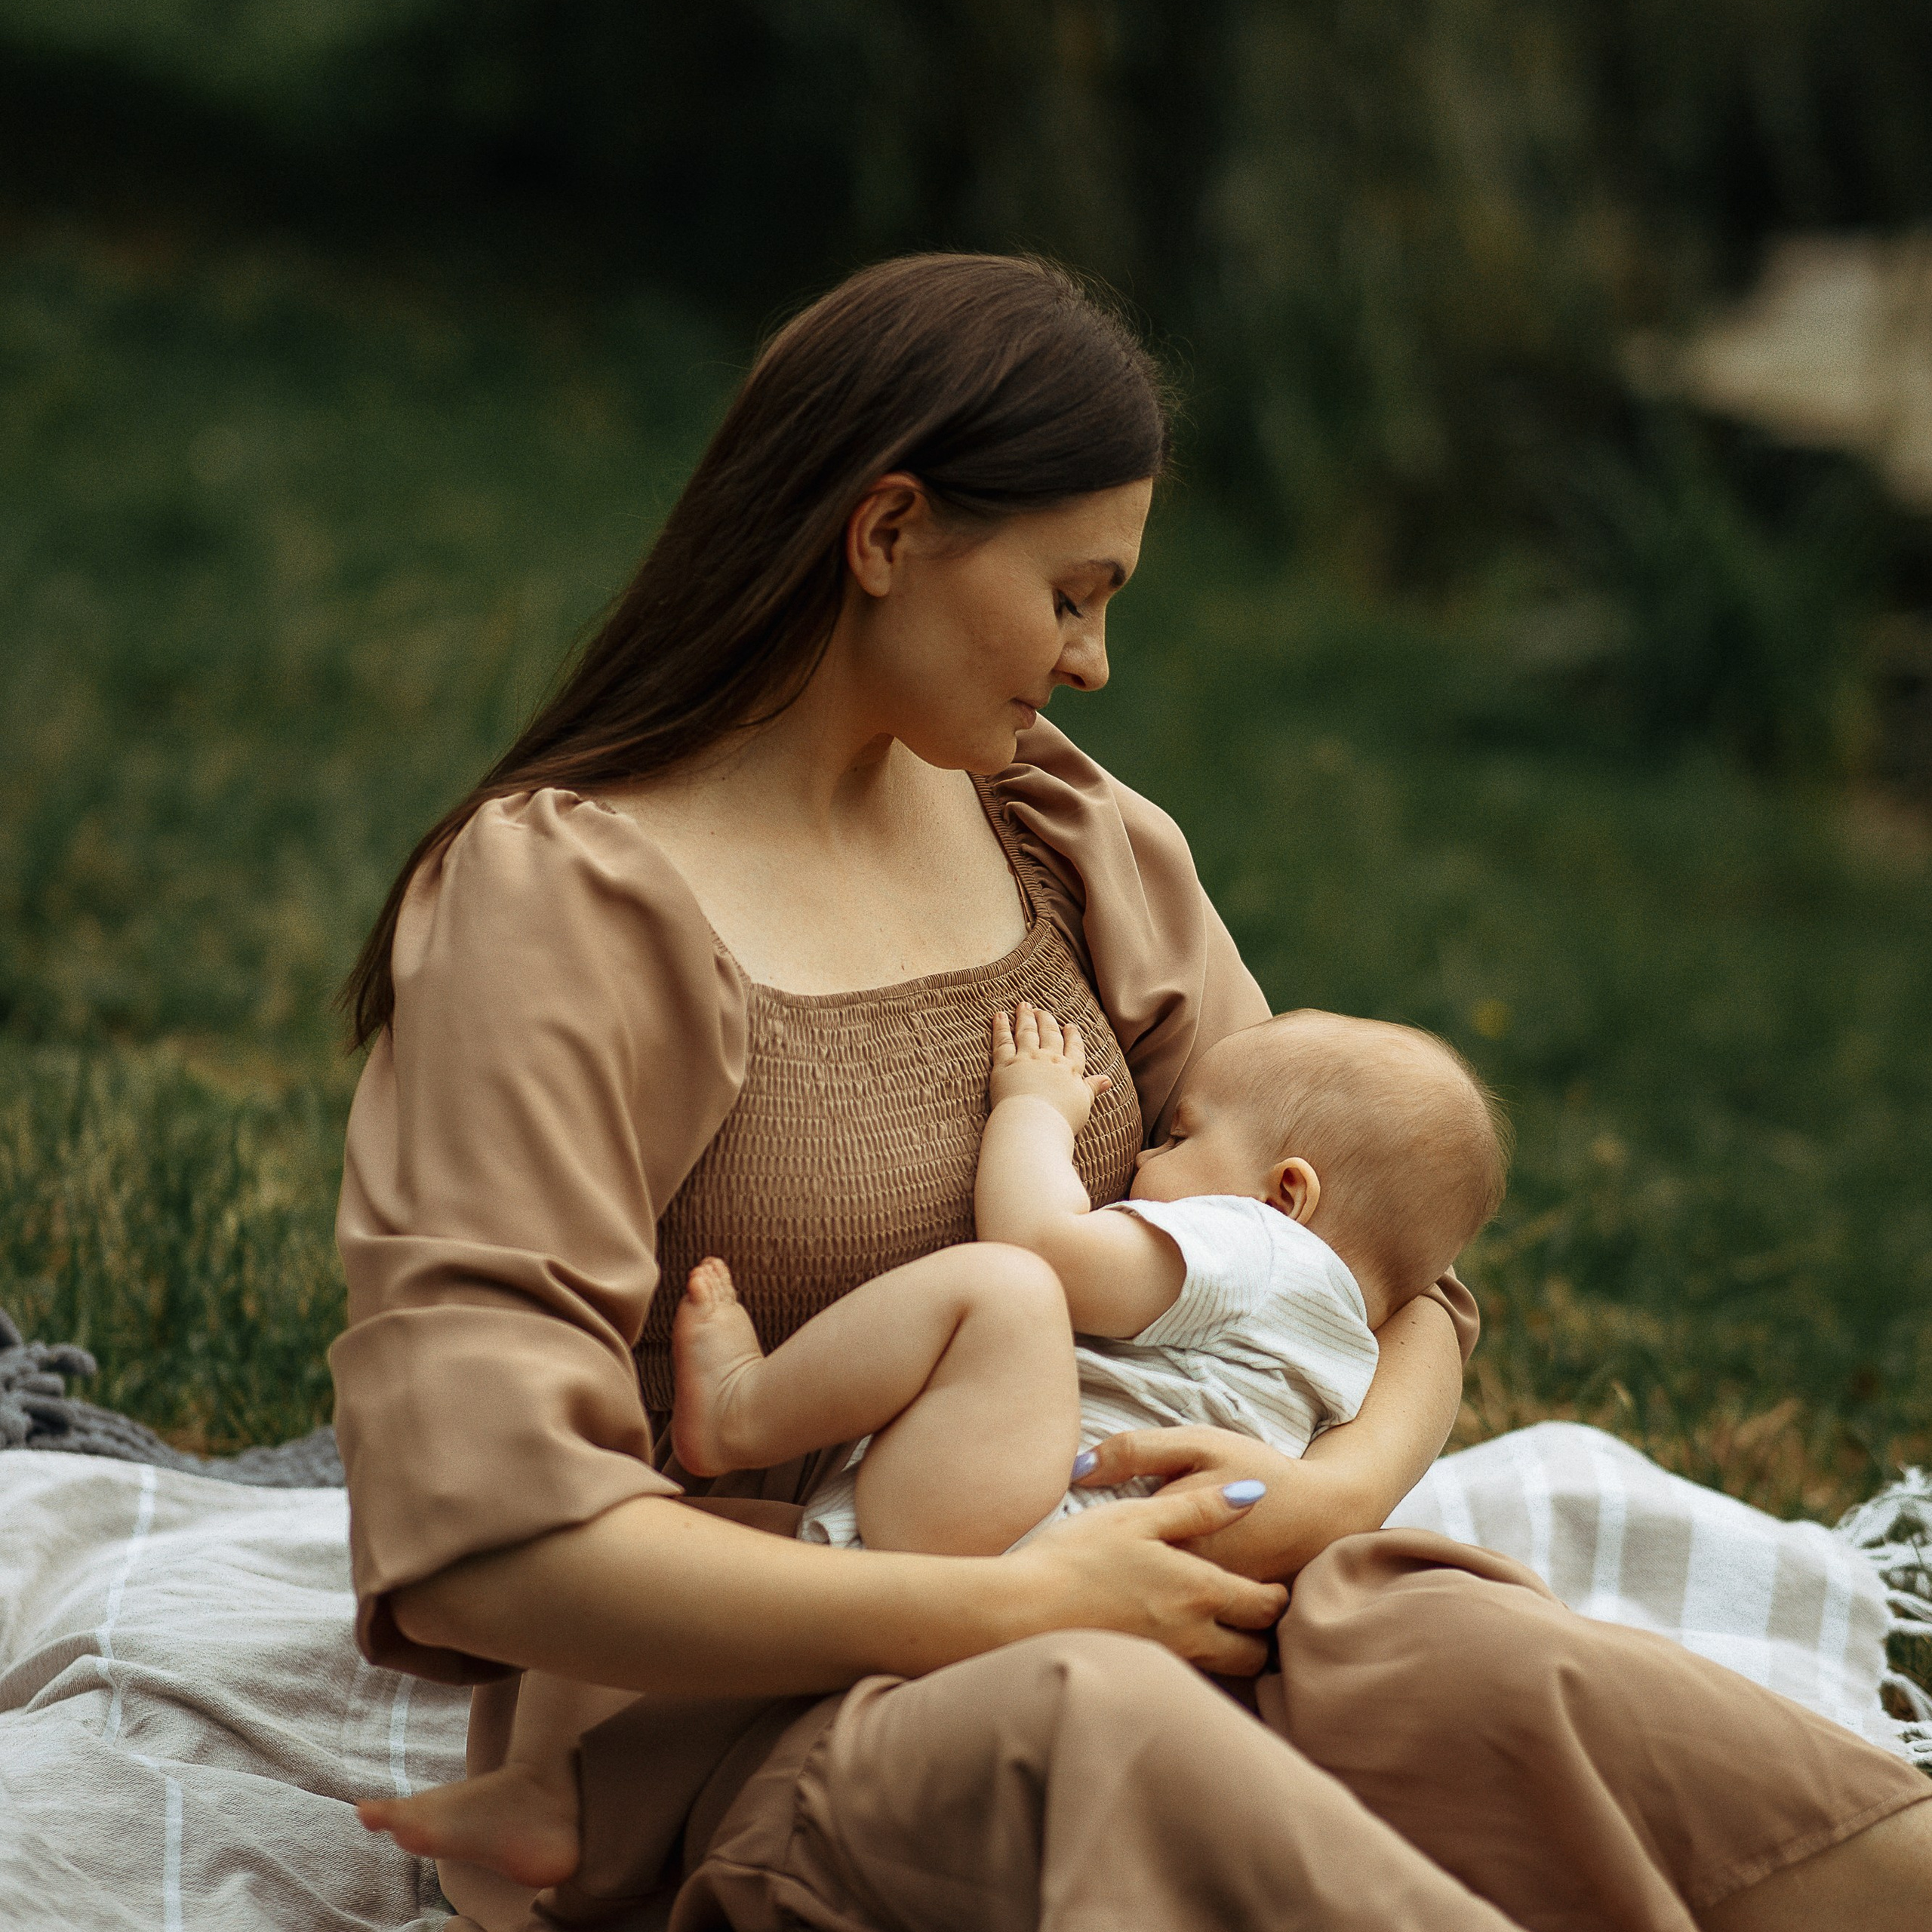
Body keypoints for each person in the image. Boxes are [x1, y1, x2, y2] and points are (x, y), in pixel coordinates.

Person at [328, 253, 1932, 1931]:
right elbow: (489, 1536)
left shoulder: (1067, 836)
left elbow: (1387, 1256)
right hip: (753, 1732)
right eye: (1070, 592)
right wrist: (1007, 1609)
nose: (1092, 662)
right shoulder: (557, 908)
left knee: (1486, 1658)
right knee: (1100, 1733)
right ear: (882, 537)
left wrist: (1332, 1491)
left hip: (1163, 1595)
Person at [355, 997, 1509, 1884]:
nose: (1146, 1162)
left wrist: (1035, 1114)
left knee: (1008, 1293)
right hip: (1131, 1598)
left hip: (1036, 1530)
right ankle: (580, 1811)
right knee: (813, 1681)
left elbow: (1048, 1246)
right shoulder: (1340, 1337)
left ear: (1287, 1192)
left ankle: (748, 1406)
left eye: (1175, 1134)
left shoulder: (1256, 1251)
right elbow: (1436, 1307)